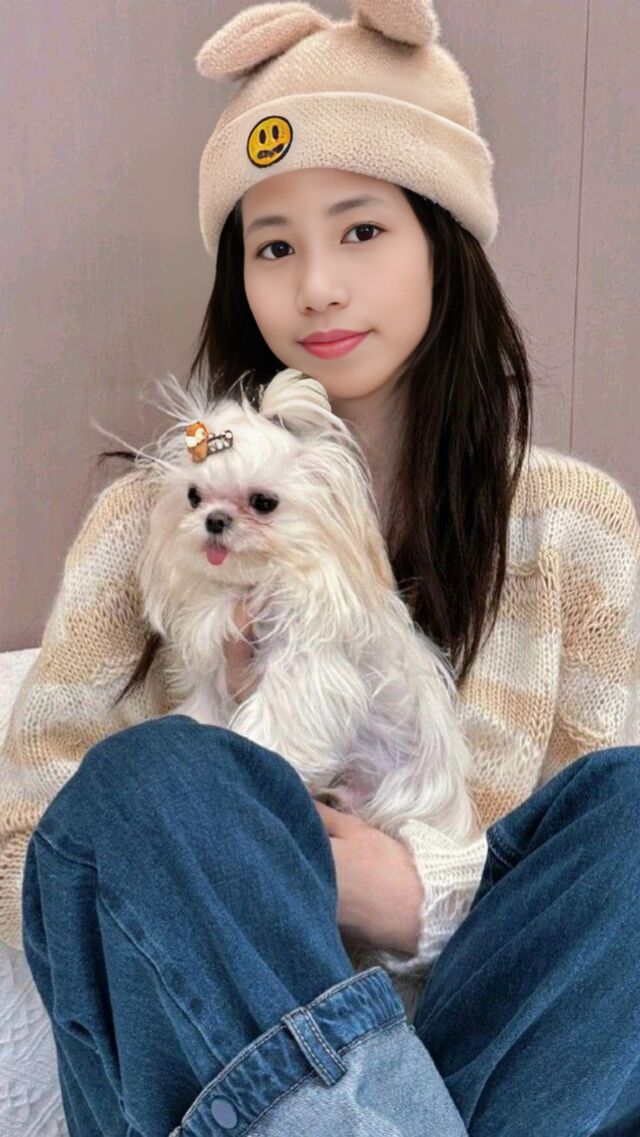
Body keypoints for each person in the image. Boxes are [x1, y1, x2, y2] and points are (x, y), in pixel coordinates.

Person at [2, 1, 639, 1134]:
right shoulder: (149, 517)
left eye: (361, 230)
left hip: (500, 1048)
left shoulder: (575, 531)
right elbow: (28, 843)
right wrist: (261, 858)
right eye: (273, 246)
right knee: (150, 785)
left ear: (442, 238)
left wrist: (420, 897)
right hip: (221, 1044)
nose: (318, 288)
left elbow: (575, 904)